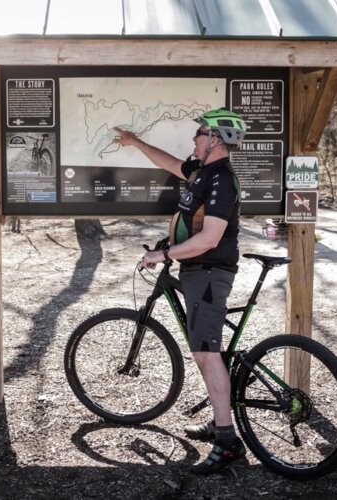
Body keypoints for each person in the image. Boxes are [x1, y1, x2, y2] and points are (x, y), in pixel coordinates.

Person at [112, 108, 247, 475]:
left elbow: (210, 237)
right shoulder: (202, 172)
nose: (194, 139)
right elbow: (172, 163)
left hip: (207, 272)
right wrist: (136, 142)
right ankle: (220, 420)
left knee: (206, 353)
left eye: (200, 133)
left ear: (215, 139)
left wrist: (165, 253)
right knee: (209, 351)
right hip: (196, 270)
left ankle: (227, 441)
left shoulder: (221, 179)